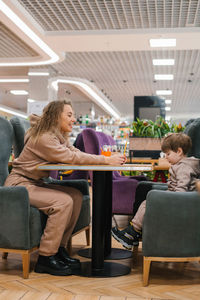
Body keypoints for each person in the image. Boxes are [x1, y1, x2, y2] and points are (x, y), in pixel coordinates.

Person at [4, 100, 126, 276]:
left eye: (73, 115)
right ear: (55, 116)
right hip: (19, 184)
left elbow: (76, 153)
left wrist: (103, 158)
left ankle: (58, 249)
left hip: (35, 183)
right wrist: (105, 160)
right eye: (69, 115)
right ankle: (45, 258)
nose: (73, 119)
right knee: (62, 201)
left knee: (75, 196)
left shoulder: (58, 136)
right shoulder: (44, 137)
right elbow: (70, 157)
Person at [112, 132, 200, 250]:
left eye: (168, 154)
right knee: (147, 200)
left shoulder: (184, 168)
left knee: (147, 203)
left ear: (179, 151)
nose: (166, 157)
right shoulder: (183, 165)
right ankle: (132, 233)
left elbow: (181, 192)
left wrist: (165, 197)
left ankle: (131, 232)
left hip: (180, 205)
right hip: (179, 202)